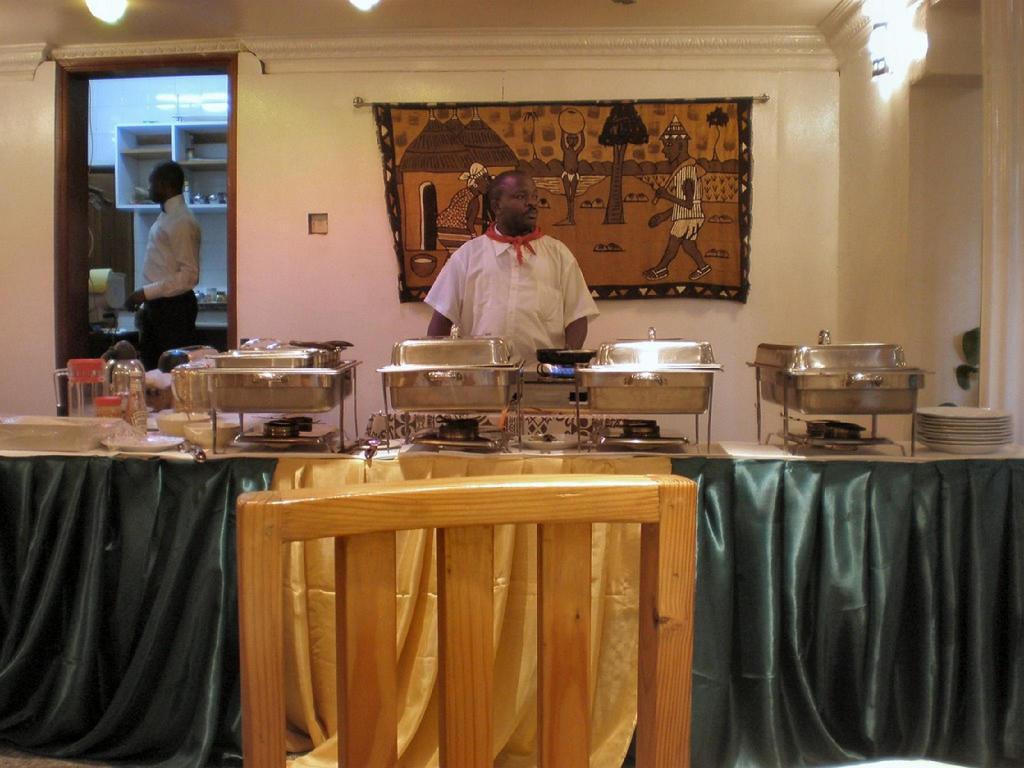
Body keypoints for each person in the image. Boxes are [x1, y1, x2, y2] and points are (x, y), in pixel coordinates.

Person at [425, 170, 598, 362]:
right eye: (521, 196)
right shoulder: (467, 256)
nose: (532, 203)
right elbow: (441, 322)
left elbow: (577, 317)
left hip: (542, 375)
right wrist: (438, 369)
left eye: (534, 196)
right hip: (482, 375)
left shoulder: (558, 254)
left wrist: (564, 365)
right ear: (496, 205)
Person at [124, 161, 201, 370]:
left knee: (172, 371)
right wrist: (147, 302)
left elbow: (189, 275)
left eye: (151, 183)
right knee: (153, 369)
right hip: (160, 307)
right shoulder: (168, 215)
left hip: (173, 309)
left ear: (165, 185)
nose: (149, 188)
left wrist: (145, 293)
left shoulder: (181, 220)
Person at [642, 115, 712, 282]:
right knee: (688, 245)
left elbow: (688, 204)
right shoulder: (683, 171)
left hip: (688, 216)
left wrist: (666, 196)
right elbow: (685, 203)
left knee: (673, 245)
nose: (664, 151)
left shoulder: (688, 172)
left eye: (668, 145)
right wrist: (664, 216)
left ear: (680, 146)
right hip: (689, 216)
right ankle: (703, 266)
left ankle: (661, 269)